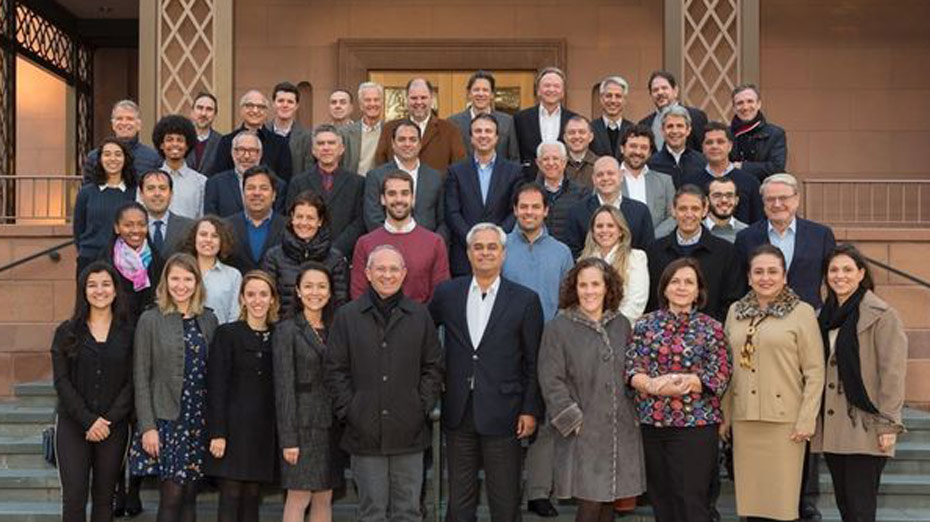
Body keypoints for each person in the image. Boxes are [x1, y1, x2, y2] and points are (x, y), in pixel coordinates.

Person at [429, 223, 544, 522]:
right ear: (468, 253)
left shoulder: (525, 300)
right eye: (478, 247)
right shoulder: (447, 293)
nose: (485, 252)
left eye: (492, 247)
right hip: (458, 410)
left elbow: (533, 361)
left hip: (505, 412)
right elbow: (424, 339)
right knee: (459, 502)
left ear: (504, 254)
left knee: (505, 502)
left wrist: (530, 409)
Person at [325, 245, 443, 522]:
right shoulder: (347, 316)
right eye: (380, 268)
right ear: (367, 272)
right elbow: (335, 370)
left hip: (409, 432)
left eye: (393, 269)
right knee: (372, 513)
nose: (387, 275)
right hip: (363, 432)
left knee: (409, 512)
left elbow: (433, 367)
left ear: (404, 273)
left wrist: (419, 407)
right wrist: (352, 410)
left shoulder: (420, 315)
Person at [721, 245, 825, 522]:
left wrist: (806, 419)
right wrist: (726, 416)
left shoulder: (802, 312)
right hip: (745, 420)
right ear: (749, 276)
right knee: (752, 504)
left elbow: (815, 371)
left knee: (782, 505)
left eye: (772, 271)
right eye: (759, 271)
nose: (765, 277)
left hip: (786, 423)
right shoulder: (735, 311)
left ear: (785, 276)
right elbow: (728, 369)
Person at [538, 257, 647, 522]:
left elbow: (631, 371)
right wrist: (573, 420)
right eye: (583, 285)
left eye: (595, 284)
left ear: (608, 287)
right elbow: (551, 380)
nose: (589, 291)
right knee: (590, 505)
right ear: (574, 288)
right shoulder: (558, 327)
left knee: (609, 501)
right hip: (583, 431)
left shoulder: (621, 324)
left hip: (620, 430)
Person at [626, 258, 732, 522]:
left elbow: (721, 373)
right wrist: (650, 384)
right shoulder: (644, 325)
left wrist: (687, 381)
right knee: (662, 498)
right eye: (675, 281)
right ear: (664, 288)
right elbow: (630, 367)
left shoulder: (712, 328)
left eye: (689, 282)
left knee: (692, 499)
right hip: (654, 424)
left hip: (696, 426)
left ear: (699, 291)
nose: (681, 287)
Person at [811, 244, 907, 522]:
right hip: (832, 424)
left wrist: (888, 424)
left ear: (861, 273)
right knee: (845, 504)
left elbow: (893, 374)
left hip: (865, 424)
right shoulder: (824, 315)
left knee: (860, 508)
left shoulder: (882, 314)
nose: (840, 276)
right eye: (833, 270)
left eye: (847, 269)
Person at [499, 185, 572, 517]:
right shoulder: (499, 246)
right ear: (515, 210)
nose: (528, 212)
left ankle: (539, 491)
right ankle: (506, 488)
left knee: (543, 420)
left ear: (545, 211)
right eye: (523, 207)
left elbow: (568, 299)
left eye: (535, 207)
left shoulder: (561, 252)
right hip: (505, 347)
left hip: (548, 343)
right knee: (507, 418)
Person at [130, 253, 219, 522]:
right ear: (165, 282)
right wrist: (148, 427)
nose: (181, 285)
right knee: (171, 497)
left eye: (188, 279)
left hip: (198, 420)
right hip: (167, 420)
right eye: (175, 279)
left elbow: (214, 374)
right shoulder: (151, 319)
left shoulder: (209, 320)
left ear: (197, 282)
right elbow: (141, 377)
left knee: (190, 496)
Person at [52, 261, 134, 522]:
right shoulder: (66, 332)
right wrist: (89, 420)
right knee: (74, 498)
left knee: (104, 498)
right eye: (92, 285)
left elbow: (133, 382)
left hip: (114, 426)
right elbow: (62, 382)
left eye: (106, 284)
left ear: (115, 290)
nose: (100, 290)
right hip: (73, 425)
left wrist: (108, 420)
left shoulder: (129, 333)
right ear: (83, 291)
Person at [206, 270, 280, 522]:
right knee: (231, 496)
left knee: (252, 497)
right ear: (242, 299)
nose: (257, 300)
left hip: (262, 433)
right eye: (251, 294)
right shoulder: (227, 334)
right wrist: (218, 432)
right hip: (231, 431)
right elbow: (216, 386)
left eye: (263, 294)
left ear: (272, 299)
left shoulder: (279, 336)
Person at [274, 263, 345, 522]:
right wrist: (288, 439)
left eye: (322, 286)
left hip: (332, 428)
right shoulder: (286, 330)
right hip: (301, 429)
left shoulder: (339, 328)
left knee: (324, 495)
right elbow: (283, 388)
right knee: (298, 496)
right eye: (309, 286)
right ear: (298, 291)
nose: (316, 292)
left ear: (330, 292)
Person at [735, 173, 836, 309]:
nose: (777, 204)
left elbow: (833, 278)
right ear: (763, 202)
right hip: (760, 316)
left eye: (783, 198)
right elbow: (739, 282)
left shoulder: (820, 235)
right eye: (770, 199)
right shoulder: (746, 237)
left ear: (797, 199)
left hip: (807, 316)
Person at [646, 185, 742, 322]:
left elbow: (732, 299)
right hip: (661, 334)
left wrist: (711, 328)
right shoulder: (654, 250)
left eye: (695, 209)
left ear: (705, 211)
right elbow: (650, 299)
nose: (689, 214)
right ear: (673, 211)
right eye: (683, 209)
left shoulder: (726, 252)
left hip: (709, 335)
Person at [352, 170, 449, 303]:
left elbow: (440, 293)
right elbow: (358, 293)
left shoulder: (435, 242)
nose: (399, 199)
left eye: (404, 193)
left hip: (421, 321)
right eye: (392, 194)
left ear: (413, 198)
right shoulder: (365, 243)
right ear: (382, 199)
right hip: (375, 321)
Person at [445, 113, 524, 276]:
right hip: (464, 253)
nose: (483, 136)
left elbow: (515, 211)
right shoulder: (456, 171)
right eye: (478, 131)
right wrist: (472, 239)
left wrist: (496, 239)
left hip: (502, 252)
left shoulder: (513, 171)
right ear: (471, 138)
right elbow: (452, 212)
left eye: (488, 131)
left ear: (496, 138)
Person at [262, 190, 349, 317]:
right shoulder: (274, 256)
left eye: (310, 218)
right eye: (299, 217)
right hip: (284, 330)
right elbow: (269, 301)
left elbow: (340, 303)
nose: (304, 223)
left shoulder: (336, 259)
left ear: (320, 221)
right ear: (292, 218)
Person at [285, 124, 366, 257]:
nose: (326, 148)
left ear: (341, 149)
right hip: (306, 255)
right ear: (313, 150)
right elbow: (291, 218)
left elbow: (359, 222)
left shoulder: (358, 183)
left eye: (331, 143)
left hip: (344, 255)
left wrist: (337, 249)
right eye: (321, 143)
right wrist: (313, 248)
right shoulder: (298, 182)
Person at [363, 119, 446, 238]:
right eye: (402, 139)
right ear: (393, 143)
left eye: (413, 139)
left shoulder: (435, 177)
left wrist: (433, 244)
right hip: (388, 249)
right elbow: (373, 218)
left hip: (427, 248)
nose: (407, 144)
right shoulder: (376, 176)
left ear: (420, 144)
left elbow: (443, 220)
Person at [564, 156, 654, 257]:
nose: (605, 178)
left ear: (621, 176)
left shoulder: (640, 211)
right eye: (600, 175)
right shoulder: (577, 212)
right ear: (593, 179)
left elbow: (648, 250)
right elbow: (574, 252)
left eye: (610, 173)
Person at [374, 78, 466, 173]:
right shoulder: (389, 129)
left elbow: (459, 168)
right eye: (414, 98)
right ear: (407, 99)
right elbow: (380, 165)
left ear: (431, 99)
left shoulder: (450, 130)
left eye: (423, 98)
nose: (418, 102)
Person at [73, 138, 137, 276]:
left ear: (126, 159)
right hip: (91, 259)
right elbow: (78, 228)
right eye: (107, 154)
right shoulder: (86, 192)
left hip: (126, 260)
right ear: (100, 159)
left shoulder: (135, 192)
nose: (112, 159)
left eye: (118, 154)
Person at [579, 205, 649, 324]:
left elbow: (636, 302)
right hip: (587, 330)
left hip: (621, 330)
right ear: (593, 231)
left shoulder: (636, 257)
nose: (604, 230)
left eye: (610, 225)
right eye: (599, 226)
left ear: (621, 230)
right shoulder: (583, 261)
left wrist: (611, 326)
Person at [684, 121, 763, 225]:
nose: (714, 146)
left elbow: (758, 222)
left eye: (720, 142)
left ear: (730, 146)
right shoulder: (690, 183)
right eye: (709, 142)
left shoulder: (750, 182)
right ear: (702, 148)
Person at [208, 89, 293, 182]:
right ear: (241, 109)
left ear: (267, 112)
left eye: (261, 107)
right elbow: (219, 177)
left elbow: (285, 180)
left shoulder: (280, 144)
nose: (255, 110)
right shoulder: (227, 141)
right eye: (250, 106)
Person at [100, 202, 164, 321]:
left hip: (149, 327)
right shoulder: (104, 261)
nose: (136, 230)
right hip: (116, 325)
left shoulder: (157, 260)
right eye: (128, 225)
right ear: (117, 228)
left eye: (141, 224)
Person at [203, 131, 287, 218]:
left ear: (260, 154)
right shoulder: (215, 184)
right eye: (241, 150)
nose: (246, 156)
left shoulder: (278, 185)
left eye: (252, 151)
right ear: (233, 153)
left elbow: (278, 223)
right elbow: (211, 223)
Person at [514, 67, 578, 178]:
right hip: (529, 182)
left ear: (562, 92)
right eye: (547, 85)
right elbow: (516, 154)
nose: (551, 89)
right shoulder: (520, 118)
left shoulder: (573, 120)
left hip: (565, 183)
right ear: (538, 91)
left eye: (556, 86)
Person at [224, 166, 288, 273]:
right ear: (243, 194)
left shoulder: (288, 227)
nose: (257, 193)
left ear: (274, 195)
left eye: (263, 188)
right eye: (250, 188)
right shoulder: (226, 226)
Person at [81, 100, 161, 184]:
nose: (124, 123)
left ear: (139, 125)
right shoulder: (95, 157)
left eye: (129, 119)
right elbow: (87, 192)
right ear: (113, 124)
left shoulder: (154, 159)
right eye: (119, 119)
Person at [618, 125, 677, 237]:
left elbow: (673, 216)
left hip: (655, 246)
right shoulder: (608, 179)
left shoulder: (665, 181)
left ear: (650, 153)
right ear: (622, 148)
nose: (638, 152)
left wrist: (651, 238)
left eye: (644, 148)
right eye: (633, 146)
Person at [181, 216, 242, 324]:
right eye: (203, 234)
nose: (208, 240)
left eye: (215, 236)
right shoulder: (180, 272)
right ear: (194, 238)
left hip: (221, 338)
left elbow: (235, 316)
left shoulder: (233, 276)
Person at [447, 70, 520, 161]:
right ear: (469, 94)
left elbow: (514, 157)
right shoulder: (453, 123)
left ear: (492, 95)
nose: (481, 94)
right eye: (476, 90)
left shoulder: (507, 122)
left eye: (485, 90)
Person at [151, 114, 206, 219]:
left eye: (180, 140)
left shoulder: (201, 182)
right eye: (169, 139)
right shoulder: (149, 181)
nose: (175, 144)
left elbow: (202, 219)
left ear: (187, 145)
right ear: (161, 145)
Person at [730, 84, 787, 182]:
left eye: (750, 101)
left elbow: (777, 167)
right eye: (740, 103)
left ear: (759, 104)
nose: (745, 107)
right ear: (734, 108)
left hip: (764, 190)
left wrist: (742, 166)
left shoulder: (775, 133)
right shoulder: (726, 134)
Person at [534, 141, 587, 246]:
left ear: (564, 162)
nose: (551, 163)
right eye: (545, 159)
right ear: (538, 163)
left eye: (555, 158)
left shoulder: (581, 193)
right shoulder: (529, 194)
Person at [639, 71, 707, 152]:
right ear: (651, 95)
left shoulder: (695, 116)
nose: (660, 92)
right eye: (655, 90)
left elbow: (703, 150)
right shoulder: (644, 124)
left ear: (675, 91)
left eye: (664, 88)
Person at [138, 169, 195, 260]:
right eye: (151, 188)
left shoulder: (189, 227)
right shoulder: (132, 228)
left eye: (162, 188)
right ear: (141, 194)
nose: (157, 194)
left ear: (171, 194)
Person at [647, 105, 708, 188]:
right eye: (670, 126)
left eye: (679, 126)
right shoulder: (651, 164)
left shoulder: (702, 162)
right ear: (662, 131)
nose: (675, 131)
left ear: (688, 130)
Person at [267, 81, 314, 175]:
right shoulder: (262, 132)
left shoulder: (307, 137)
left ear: (296, 106)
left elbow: (308, 172)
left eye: (290, 102)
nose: (285, 105)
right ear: (273, 104)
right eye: (280, 101)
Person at [341, 82, 384, 176]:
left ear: (382, 103)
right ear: (360, 105)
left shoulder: (389, 130)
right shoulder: (345, 133)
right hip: (354, 186)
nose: (372, 104)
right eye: (368, 100)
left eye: (376, 100)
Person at [590, 75, 634, 159]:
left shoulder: (633, 130)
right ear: (601, 99)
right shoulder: (590, 129)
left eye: (618, 96)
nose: (613, 101)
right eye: (609, 96)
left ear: (624, 100)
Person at [703, 175, 748, 243]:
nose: (724, 200)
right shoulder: (696, 230)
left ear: (736, 200)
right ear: (707, 200)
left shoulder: (747, 233)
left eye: (729, 195)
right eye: (717, 195)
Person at [187, 92, 222, 175]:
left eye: (209, 109)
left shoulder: (222, 143)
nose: (203, 113)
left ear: (215, 114)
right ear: (192, 112)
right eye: (200, 108)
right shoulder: (180, 140)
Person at [562, 116, 599, 188]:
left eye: (582, 132)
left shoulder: (600, 165)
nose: (576, 136)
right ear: (565, 138)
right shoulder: (554, 164)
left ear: (591, 137)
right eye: (571, 132)